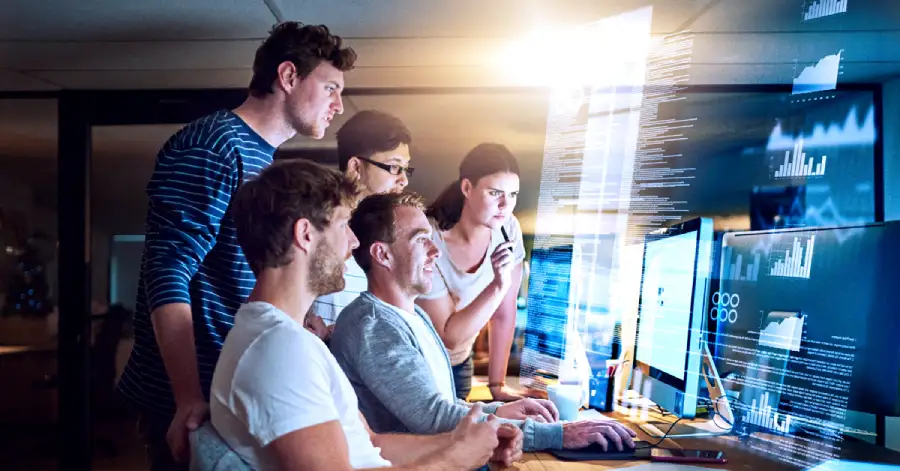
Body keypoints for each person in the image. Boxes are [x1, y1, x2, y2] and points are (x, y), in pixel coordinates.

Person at [116, 22, 356, 469]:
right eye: (330, 88)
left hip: (225, 378)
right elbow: (167, 270)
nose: (338, 105)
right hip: (189, 391)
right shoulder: (214, 145)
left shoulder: (260, 155)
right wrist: (188, 395)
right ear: (287, 77)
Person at [211, 159, 523, 470]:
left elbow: (370, 444)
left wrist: (470, 441)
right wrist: (458, 457)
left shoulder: (289, 339)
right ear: (306, 234)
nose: (355, 241)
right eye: (344, 224)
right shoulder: (279, 350)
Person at [330, 192, 638, 453]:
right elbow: (433, 418)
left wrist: (497, 411)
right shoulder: (373, 326)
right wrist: (557, 435)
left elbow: (443, 405)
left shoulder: (413, 315)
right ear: (382, 254)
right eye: (421, 240)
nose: (435, 251)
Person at [417, 143, 525, 401]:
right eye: (495, 193)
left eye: (513, 195)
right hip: (420, 364)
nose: (504, 205)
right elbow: (449, 336)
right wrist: (497, 286)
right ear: (467, 188)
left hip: (460, 364)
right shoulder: (429, 237)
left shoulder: (508, 230)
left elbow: (504, 314)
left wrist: (497, 386)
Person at [307, 110, 413, 336]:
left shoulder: (387, 231)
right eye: (394, 167)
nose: (403, 179)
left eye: (406, 169)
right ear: (356, 167)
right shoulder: (317, 222)